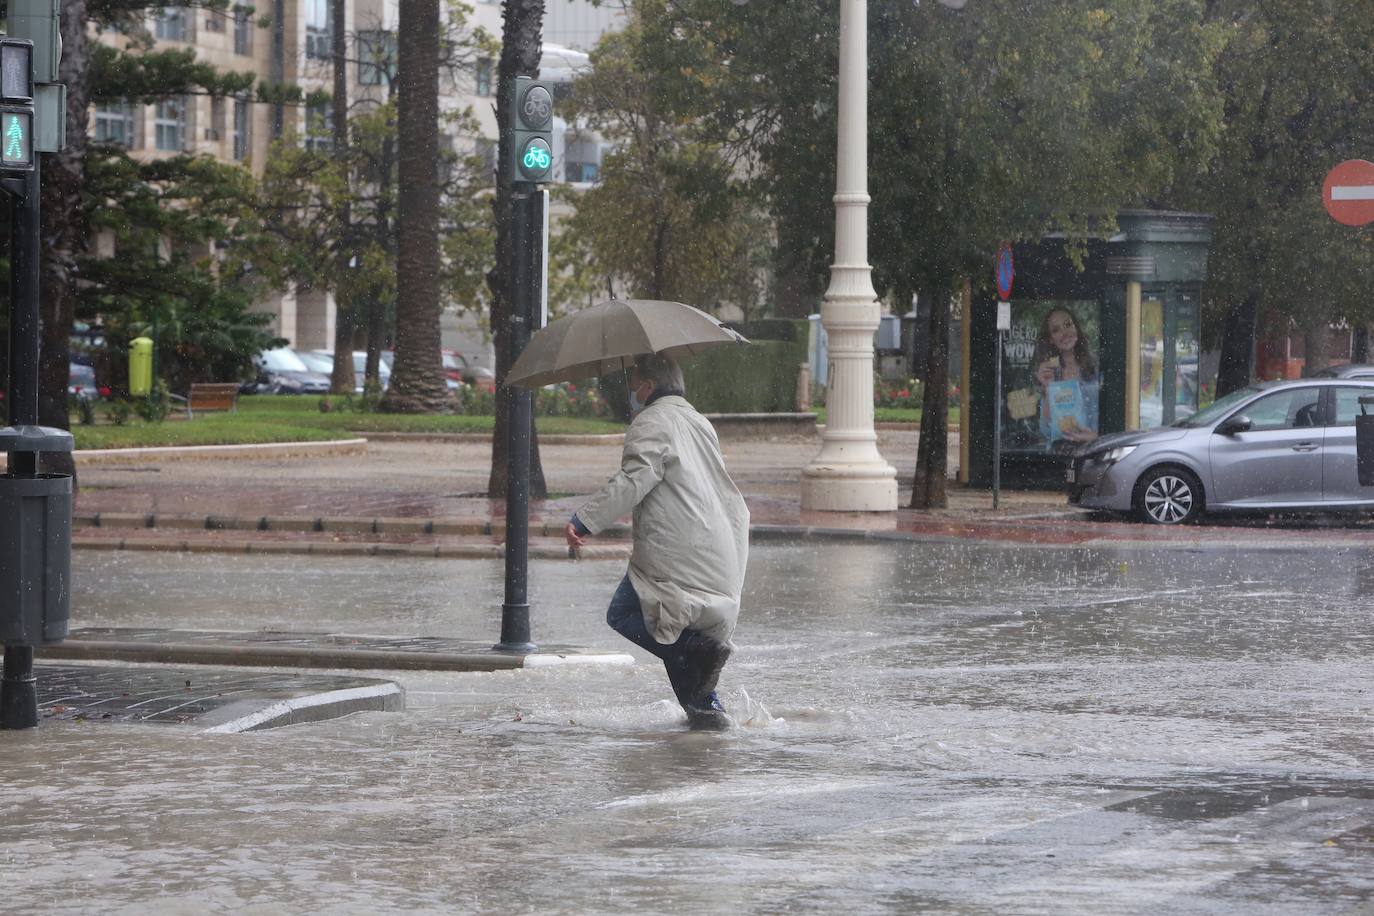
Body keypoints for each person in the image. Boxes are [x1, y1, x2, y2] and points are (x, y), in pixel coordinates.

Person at [564, 353, 749, 728]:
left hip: (678, 547)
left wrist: (584, 521)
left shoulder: (652, 420)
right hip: (719, 541)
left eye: (634, 385)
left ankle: (700, 654)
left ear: (648, 387)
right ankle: (706, 711)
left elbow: (635, 479)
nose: (631, 392)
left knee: (626, 615)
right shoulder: (698, 420)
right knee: (669, 629)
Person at [1032, 306, 1099, 446]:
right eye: (1056, 330)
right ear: (1050, 339)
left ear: (1076, 328)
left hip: (1096, 453)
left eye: (1068, 324)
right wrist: (1047, 387)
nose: (1064, 332)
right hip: (1060, 456)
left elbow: (1110, 423)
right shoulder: (1050, 372)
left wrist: (1094, 437)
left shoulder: (1095, 368)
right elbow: (1046, 431)